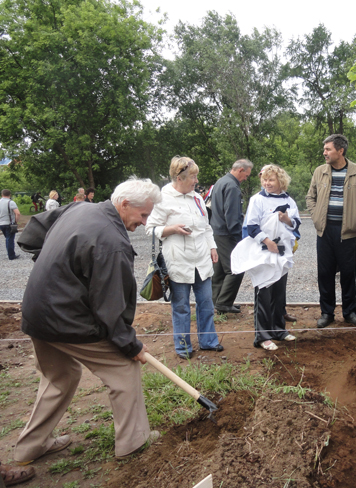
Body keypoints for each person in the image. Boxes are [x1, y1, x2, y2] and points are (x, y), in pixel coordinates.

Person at [13, 177, 162, 464]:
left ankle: (29, 448)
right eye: (143, 215)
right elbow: (110, 308)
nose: (145, 222)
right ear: (125, 204)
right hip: (64, 319)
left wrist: (55, 268)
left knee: (60, 377)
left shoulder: (81, 208)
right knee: (123, 368)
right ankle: (134, 441)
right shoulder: (112, 243)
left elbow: (34, 231)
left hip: (36, 312)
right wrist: (131, 346)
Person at [146, 156, 223, 360]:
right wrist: (171, 229)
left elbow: (206, 227)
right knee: (180, 307)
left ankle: (208, 341)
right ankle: (183, 347)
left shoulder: (197, 197)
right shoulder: (163, 198)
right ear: (179, 178)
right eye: (193, 177)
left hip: (201, 260)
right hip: (178, 261)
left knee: (206, 302)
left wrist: (212, 247)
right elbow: (150, 228)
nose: (196, 181)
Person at [306, 134, 356, 328]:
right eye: (325, 149)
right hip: (325, 232)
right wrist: (316, 215)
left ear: (340, 151)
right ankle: (327, 313)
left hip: (348, 233)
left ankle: (349, 312)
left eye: (328, 149)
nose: (324, 152)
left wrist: (355, 219)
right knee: (325, 273)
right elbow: (310, 197)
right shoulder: (319, 172)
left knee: (348, 274)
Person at [240, 164, 300, 351]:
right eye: (264, 179)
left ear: (281, 181)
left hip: (281, 252)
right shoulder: (257, 200)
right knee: (264, 292)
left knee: (278, 291)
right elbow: (251, 226)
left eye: (271, 179)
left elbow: (296, 223)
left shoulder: (289, 200)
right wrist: (267, 242)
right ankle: (262, 336)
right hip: (263, 251)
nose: (267, 183)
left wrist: (286, 219)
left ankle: (278, 330)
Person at [210, 159, 253, 314]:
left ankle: (215, 302)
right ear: (240, 170)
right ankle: (224, 303)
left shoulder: (220, 182)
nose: (245, 178)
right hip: (228, 234)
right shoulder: (232, 187)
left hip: (217, 231)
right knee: (236, 268)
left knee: (220, 270)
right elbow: (232, 215)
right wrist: (239, 236)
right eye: (246, 175)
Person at [0, 189, 21, 261]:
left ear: (2, 194)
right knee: (10, 239)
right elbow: (17, 213)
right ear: (10, 195)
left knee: (7, 239)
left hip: (1, 224)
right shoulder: (11, 202)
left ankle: (10, 253)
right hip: (9, 224)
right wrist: (15, 221)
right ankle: (11, 255)